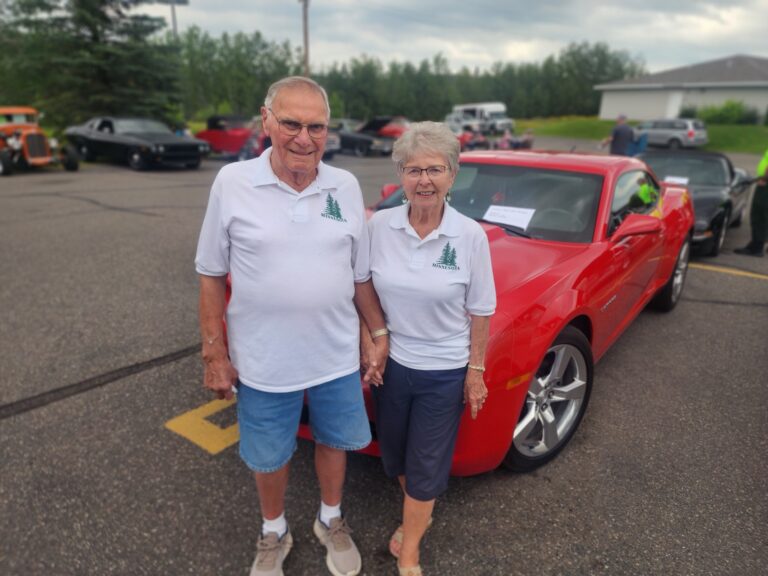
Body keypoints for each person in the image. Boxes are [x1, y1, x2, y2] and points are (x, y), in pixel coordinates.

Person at [195, 76, 389, 576]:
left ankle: (330, 518)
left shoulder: (343, 186)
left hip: (334, 355)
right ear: (266, 120)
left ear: (329, 131)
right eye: (291, 123)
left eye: (317, 126)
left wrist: (374, 334)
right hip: (263, 359)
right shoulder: (233, 183)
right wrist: (215, 354)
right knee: (269, 454)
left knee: (334, 440)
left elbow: (360, 272)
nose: (304, 138)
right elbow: (212, 274)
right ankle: (274, 530)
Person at [363, 121, 496, 576]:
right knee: (397, 455)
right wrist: (374, 340)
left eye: (434, 170)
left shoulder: (469, 236)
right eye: (413, 170)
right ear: (400, 176)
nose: (424, 180)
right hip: (395, 367)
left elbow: (481, 310)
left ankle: (411, 551)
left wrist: (474, 371)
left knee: (425, 464)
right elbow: (361, 289)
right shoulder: (379, 226)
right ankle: (419, 510)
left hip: (444, 370)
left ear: (452, 176)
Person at [735, 148, 768, 257]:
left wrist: (764, 178)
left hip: (765, 185)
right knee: (759, 214)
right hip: (764, 182)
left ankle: (757, 247)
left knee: (759, 215)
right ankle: (755, 243)